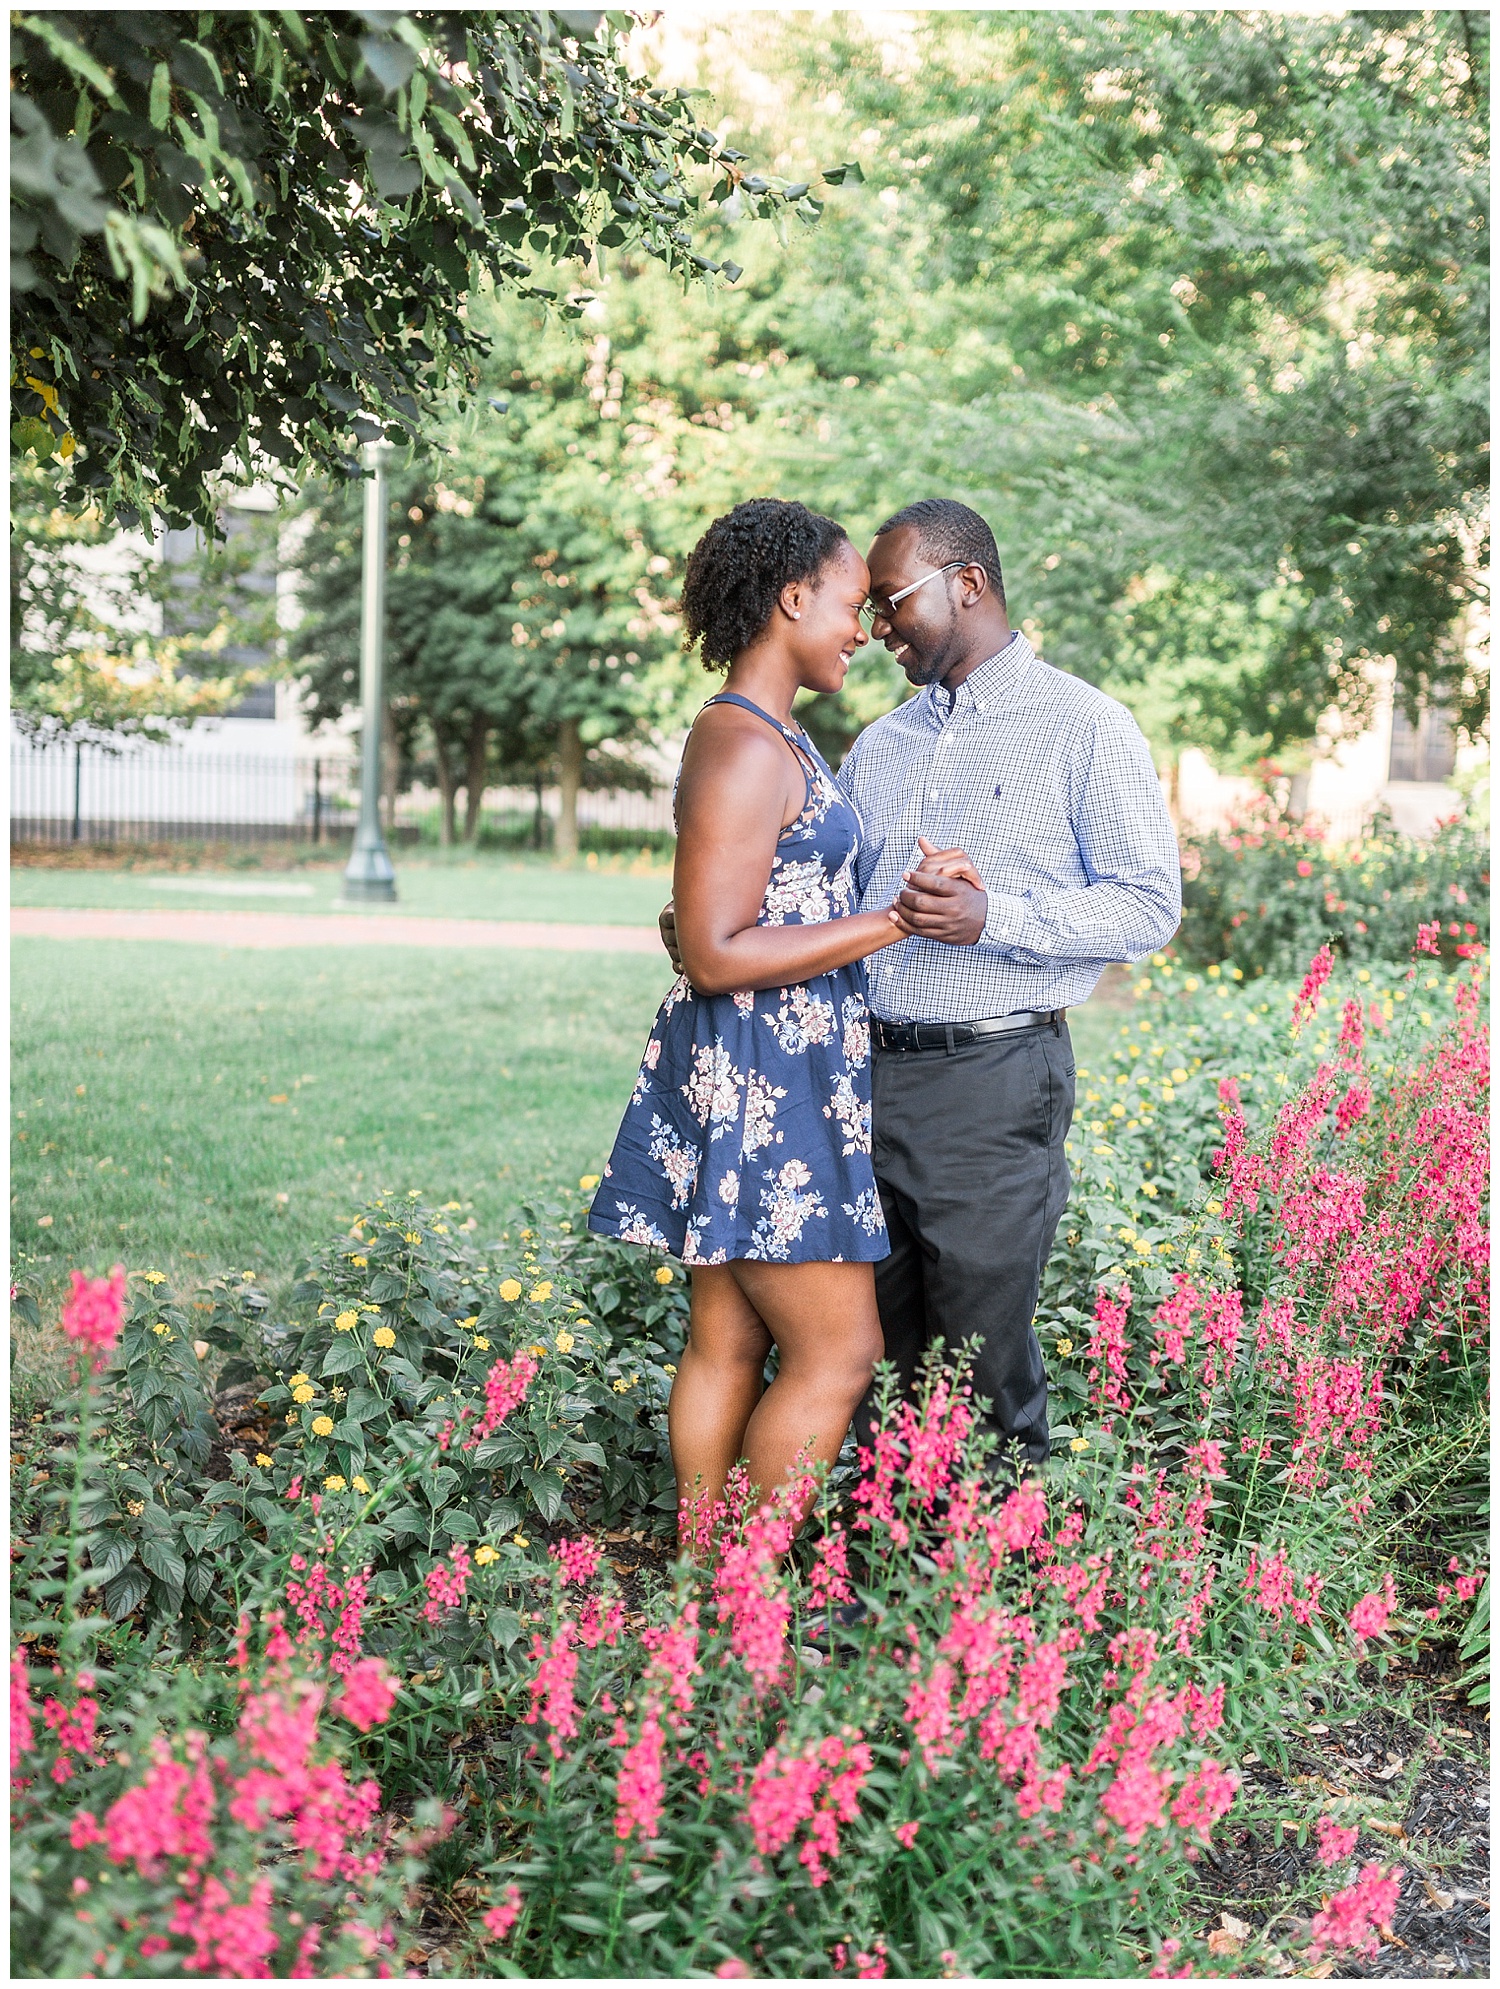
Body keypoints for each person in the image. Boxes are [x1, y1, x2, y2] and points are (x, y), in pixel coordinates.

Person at [662, 498, 1181, 1473]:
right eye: (869, 607)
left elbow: (1149, 907)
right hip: (850, 1080)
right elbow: (809, 900)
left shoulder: (1085, 727)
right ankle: (866, 1590)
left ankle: (984, 1598)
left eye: (894, 602)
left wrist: (999, 917)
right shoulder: (881, 745)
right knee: (873, 1359)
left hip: (990, 1085)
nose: (879, 626)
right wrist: (701, 920)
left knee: (981, 1363)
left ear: (970, 584)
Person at [588, 498, 969, 1538]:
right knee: (839, 1356)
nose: (864, 628)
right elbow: (715, 952)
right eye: (852, 604)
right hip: (766, 1077)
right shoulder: (749, 742)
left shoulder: (768, 732)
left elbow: (718, 916)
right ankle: (741, 1592)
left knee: (730, 1340)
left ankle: (703, 1591)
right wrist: (892, 921)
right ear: (793, 597)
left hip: (769, 1067)